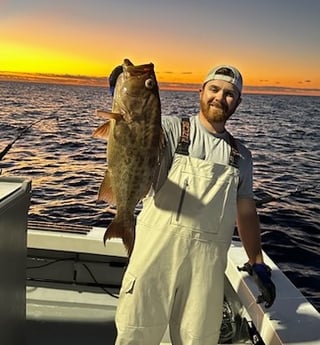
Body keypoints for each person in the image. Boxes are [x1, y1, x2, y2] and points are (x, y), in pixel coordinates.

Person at [114, 64, 276, 345]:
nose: (219, 97)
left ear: (238, 102)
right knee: (134, 335)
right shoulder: (172, 130)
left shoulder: (242, 157)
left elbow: (247, 213)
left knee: (198, 340)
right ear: (201, 91)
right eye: (214, 89)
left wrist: (257, 261)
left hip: (205, 272)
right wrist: (123, 95)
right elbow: (138, 132)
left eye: (229, 94)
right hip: (153, 259)